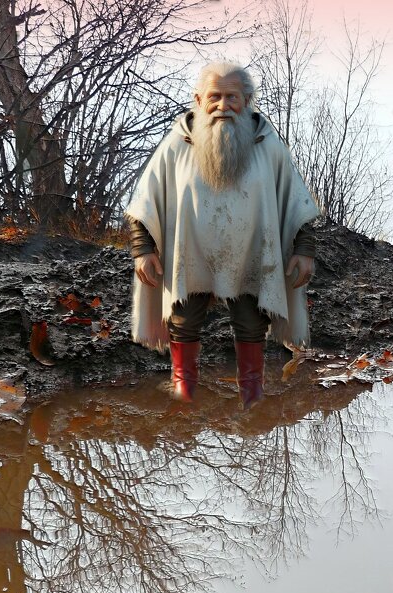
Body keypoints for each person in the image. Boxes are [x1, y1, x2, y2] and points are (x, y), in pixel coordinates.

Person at [124, 61, 320, 407]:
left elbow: (296, 199)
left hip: (250, 252)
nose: (223, 105)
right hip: (190, 251)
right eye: (214, 96)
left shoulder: (267, 144)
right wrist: (143, 249)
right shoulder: (177, 143)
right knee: (183, 318)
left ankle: (252, 394)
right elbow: (146, 201)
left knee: (250, 321)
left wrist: (303, 249)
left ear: (247, 100)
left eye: (232, 97)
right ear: (198, 100)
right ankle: (184, 393)